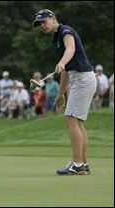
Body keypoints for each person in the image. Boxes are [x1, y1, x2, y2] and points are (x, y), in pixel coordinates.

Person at [33, 9, 97, 175]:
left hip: (83, 78)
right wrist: (60, 95)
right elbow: (65, 72)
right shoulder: (56, 39)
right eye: (40, 24)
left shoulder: (65, 30)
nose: (42, 25)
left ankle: (77, 164)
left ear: (53, 18)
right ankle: (83, 164)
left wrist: (62, 62)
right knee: (77, 122)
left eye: (44, 21)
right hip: (80, 78)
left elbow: (71, 48)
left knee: (71, 120)